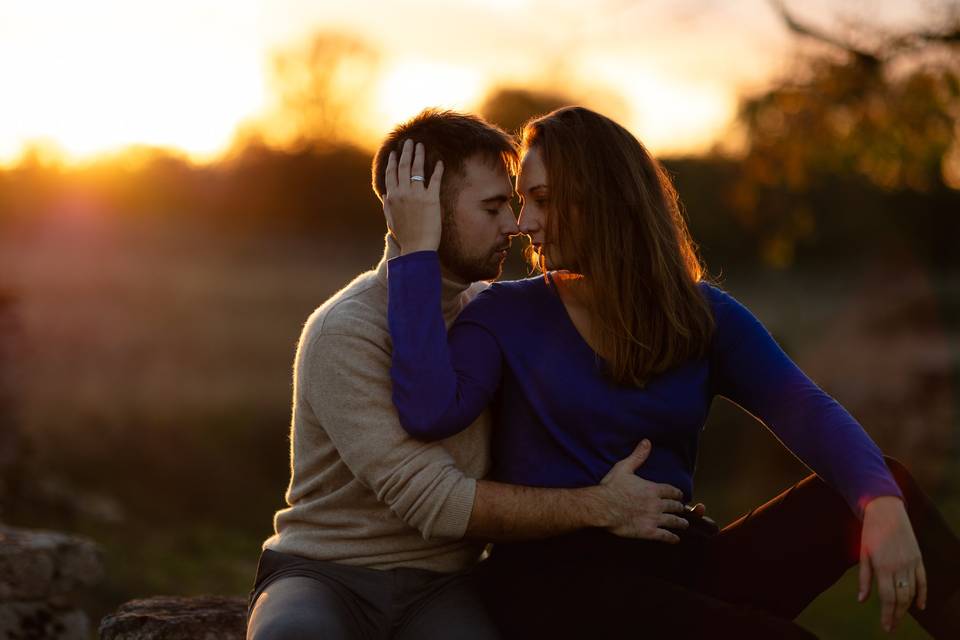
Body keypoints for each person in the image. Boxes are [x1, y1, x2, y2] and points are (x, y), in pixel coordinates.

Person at [383, 106, 960, 638]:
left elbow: (807, 411)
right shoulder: (502, 314)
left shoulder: (701, 315)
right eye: (521, 200)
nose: (524, 222)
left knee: (884, 485)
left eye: (545, 200)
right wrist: (412, 254)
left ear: (607, 201)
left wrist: (879, 503)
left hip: (676, 560)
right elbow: (429, 410)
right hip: (554, 585)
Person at [246, 109, 793, 640]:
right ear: (424, 212)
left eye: (515, 204)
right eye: (493, 208)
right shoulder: (346, 331)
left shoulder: (488, 313)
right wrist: (601, 507)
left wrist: (655, 498)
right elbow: (433, 499)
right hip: (325, 572)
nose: (515, 224)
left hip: (444, 585)